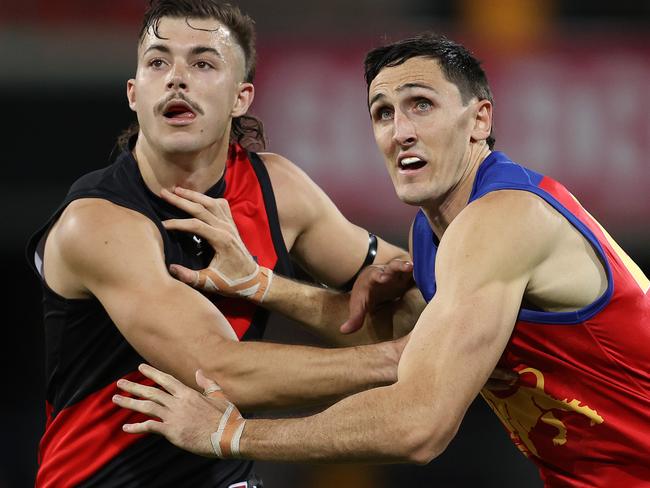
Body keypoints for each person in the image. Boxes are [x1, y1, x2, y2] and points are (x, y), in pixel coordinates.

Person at [115, 34, 650, 487]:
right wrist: (263, 286)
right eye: (383, 113)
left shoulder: (502, 218)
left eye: (421, 104)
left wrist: (230, 435)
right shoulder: (432, 233)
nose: (401, 131)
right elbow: (418, 350)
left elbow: (419, 425)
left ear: (479, 119)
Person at [25, 1, 424, 486]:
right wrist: (397, 359)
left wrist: (284, 286)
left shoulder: (277, 190)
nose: (176, 78)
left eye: (202, 63)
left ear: (241, 97)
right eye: (157, 61)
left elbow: (411, 293)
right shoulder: (97, 223)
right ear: (133, 92)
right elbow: (219, 371)